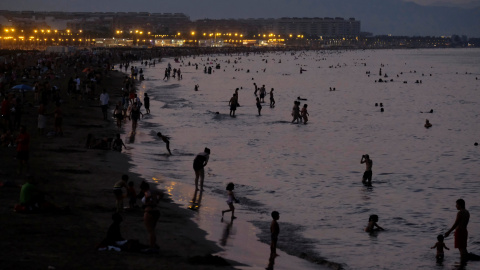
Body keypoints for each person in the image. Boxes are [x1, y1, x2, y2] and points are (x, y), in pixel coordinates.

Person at [444, 199, 470, 263]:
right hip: (464, 231)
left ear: (460, 205)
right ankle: (464, 263)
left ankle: (463, 263)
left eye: (457, 204)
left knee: (461, 249)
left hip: (460, 231)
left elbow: (456, 224)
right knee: (464, 248)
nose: (456, 206)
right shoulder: (467, 212)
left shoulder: (460, 213)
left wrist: (449, 232)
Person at [140, 181, 160, 252]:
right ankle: (153, 244)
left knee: (150, 230)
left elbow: (148, 200)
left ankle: (152, 247)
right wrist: (157, 201)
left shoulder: (147, 193)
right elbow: (161, 194)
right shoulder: (154, 191)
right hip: (156, 211)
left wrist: (146, 204)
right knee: (153, 229)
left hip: (149, 212)